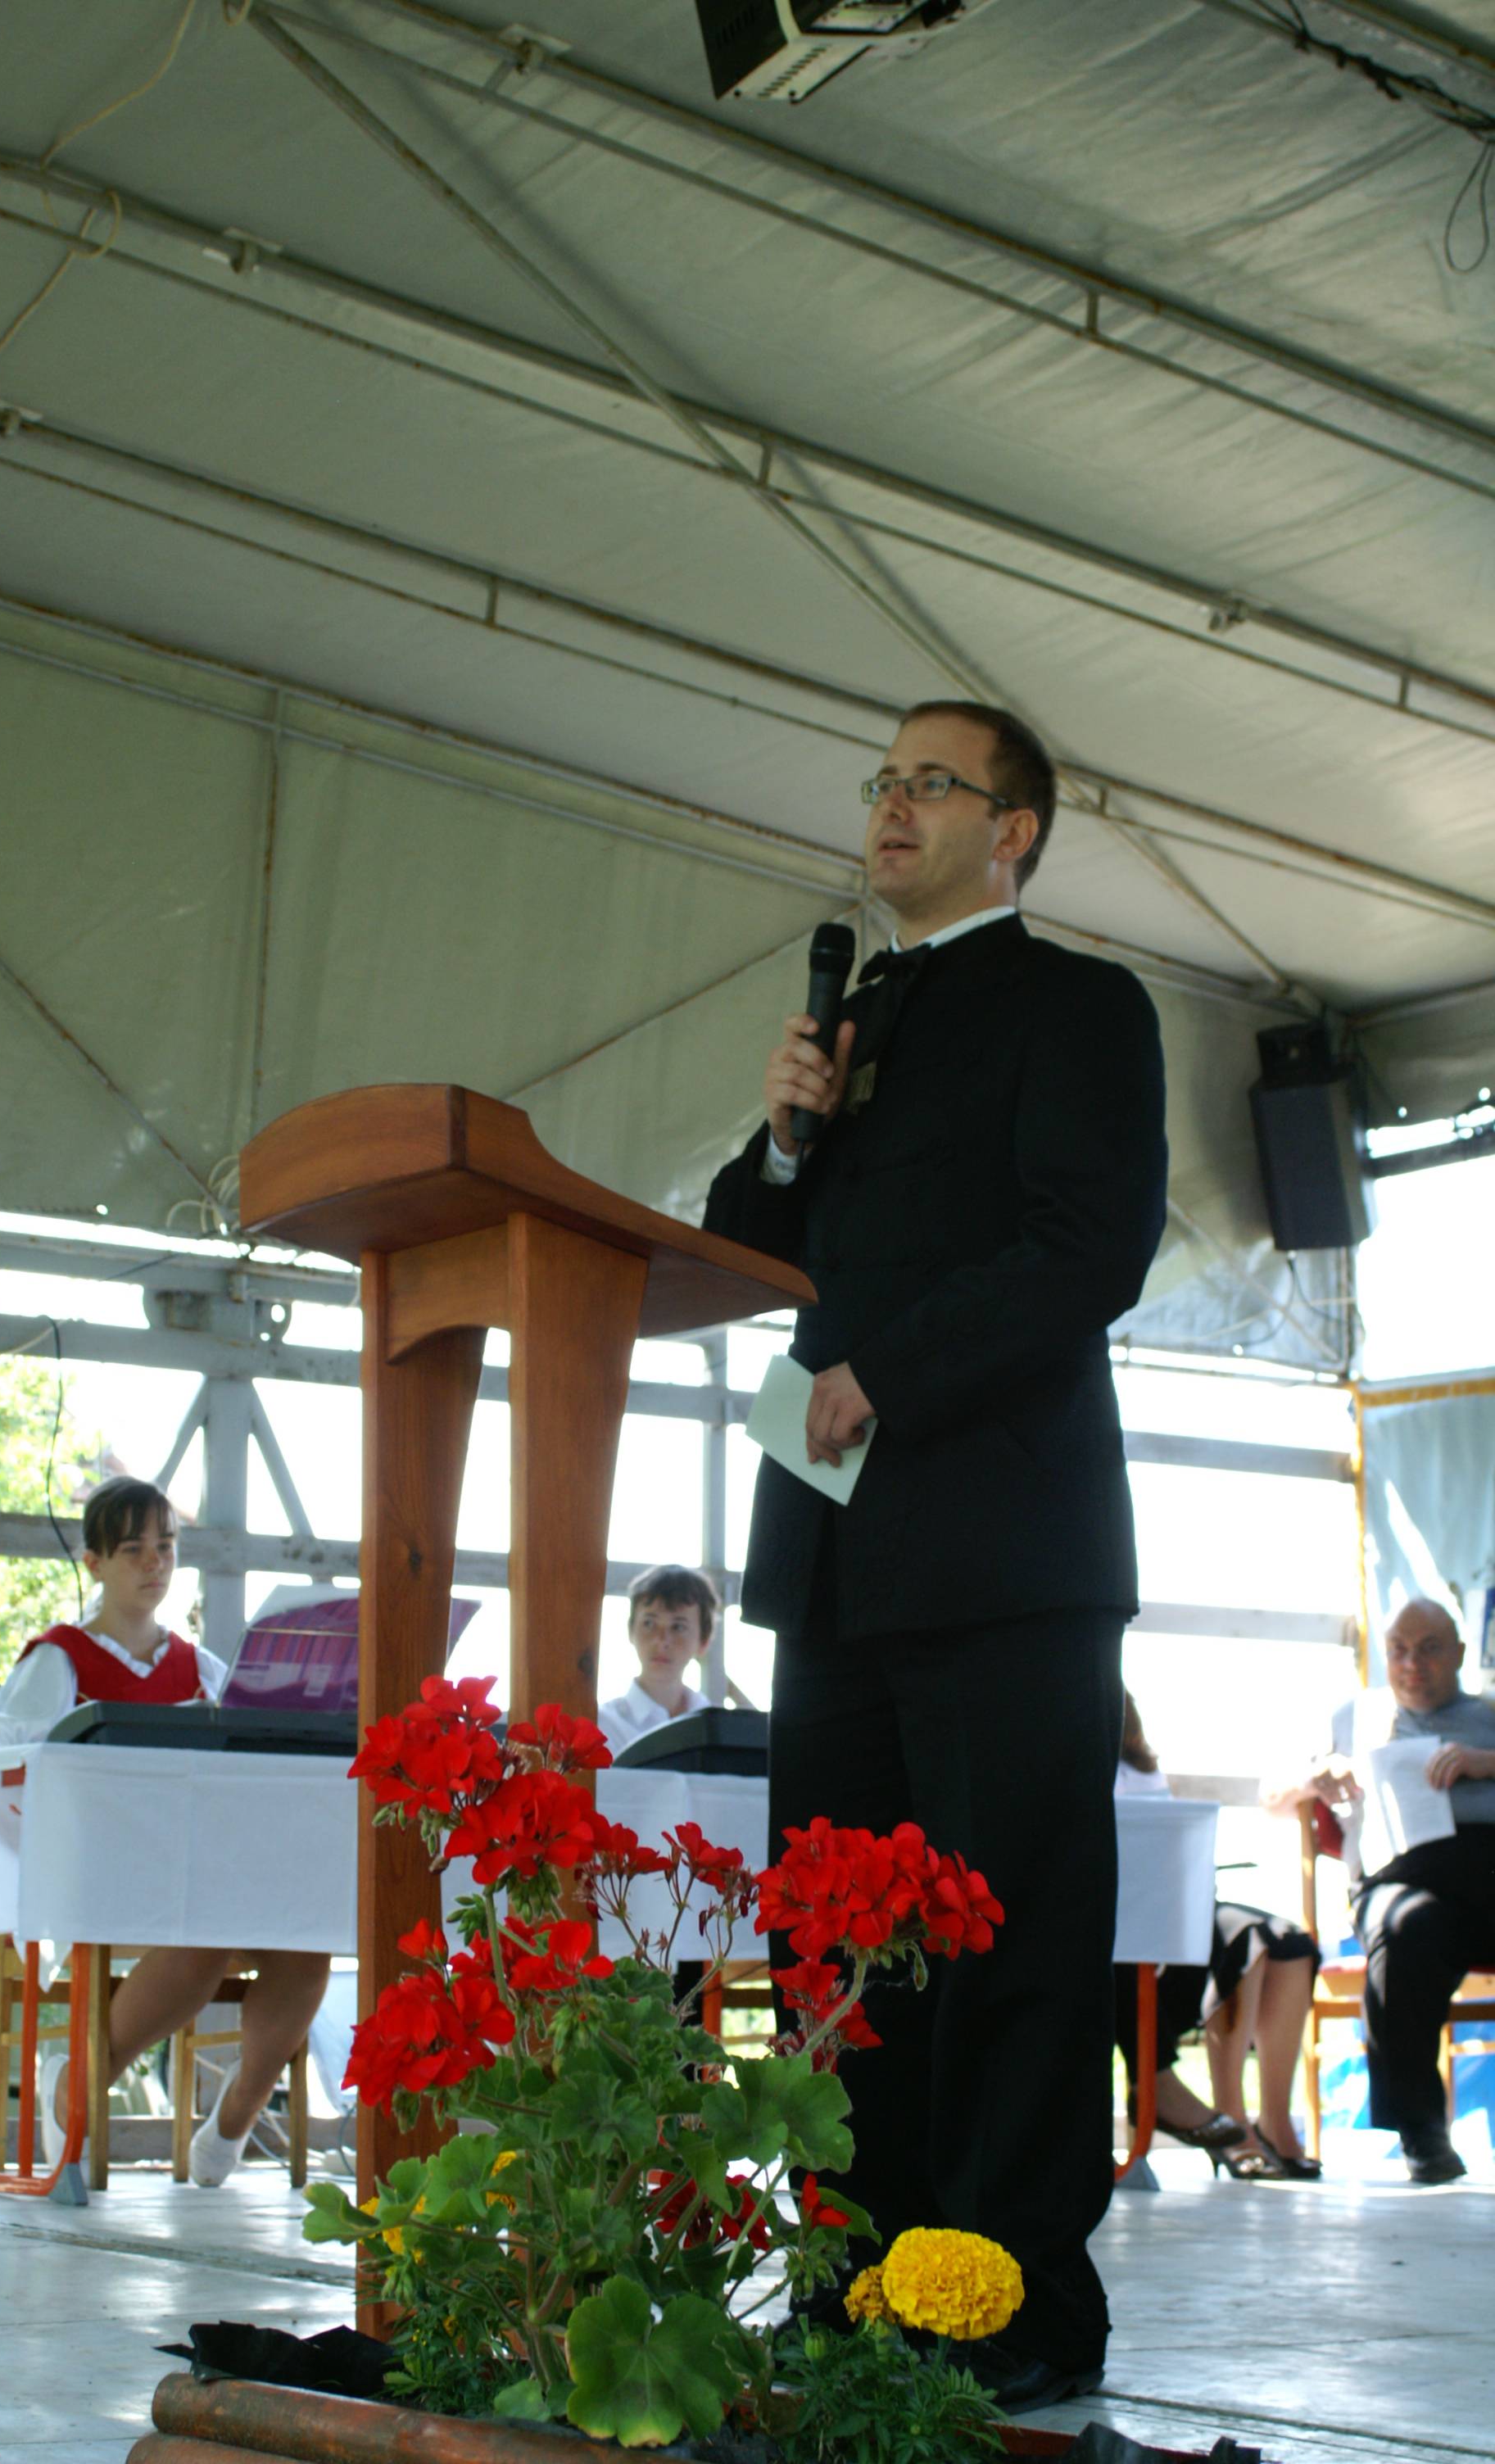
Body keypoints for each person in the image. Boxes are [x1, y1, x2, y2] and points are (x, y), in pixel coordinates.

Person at [703, 700, 1167, 2412]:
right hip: (830, 1563)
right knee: (831, 1952)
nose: (891, 808)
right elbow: (734, 1251)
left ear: (1017, 829)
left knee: (1009, 1940)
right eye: (881, 781)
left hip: (1003, 1553)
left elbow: (1083, 1247)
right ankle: (845, 2285)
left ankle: (1011, 2304)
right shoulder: (850, 1024)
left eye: (930, 784)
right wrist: (779, 1138)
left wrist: (884, 1373)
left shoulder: (1079, 1006)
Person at [0, 1475, 331, 2185]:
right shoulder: (58, 1658)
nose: (154, 1564)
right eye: (133, 1549)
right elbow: (18, 1753)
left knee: (307, 1937)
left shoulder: (199, 1667)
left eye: (166, 1547)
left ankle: (235, 2120)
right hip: (103, 1870)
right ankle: (74, 2088)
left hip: (204, 1866)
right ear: (95, 1563)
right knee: (203, 1937)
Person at [1266, 1596, 1495, 2184]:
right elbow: (1273, 1795)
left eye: (1430, 1649)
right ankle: (1421, 2132)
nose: (1412, 1664)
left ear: (1461, 1655)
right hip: (1399, 1877)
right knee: (1404, 1930)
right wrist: (1314, 1776)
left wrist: (1484, 1762)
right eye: (1398, 1650)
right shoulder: (1353, 1716)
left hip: (1485, 1869)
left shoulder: (1488, 1712)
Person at [1113, 1693, 1318, 2181]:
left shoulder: (1138, 1768)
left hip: (1163, 1905)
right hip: (1125, 1919)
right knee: (1248, 1938)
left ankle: (1269, 2120)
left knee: (1290, 1943)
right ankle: (1233, 2121)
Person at [596, 1565, 719, 1760]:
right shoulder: (602, 1727)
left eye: (678, 1627)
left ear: (703, 1640)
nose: (662, 1640)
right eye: (649, 1623)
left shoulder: (718, 1729)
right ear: (631, 1631)